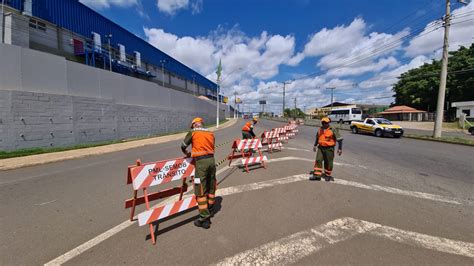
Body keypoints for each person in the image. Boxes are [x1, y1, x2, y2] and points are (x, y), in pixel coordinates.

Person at [181, 117, 216, 229]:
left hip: (201, 164)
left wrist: (187, 153)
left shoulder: (193, 132)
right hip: (211, 161)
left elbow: (183, 146)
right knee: (211, 187)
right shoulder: (210, 133)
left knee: (200, 190)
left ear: (194, 124)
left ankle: (204, 219)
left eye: (192, 126)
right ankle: (210, 209)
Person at [311, 117, 343, 181]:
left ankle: (327, 175)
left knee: (328, 162)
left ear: (328, 123)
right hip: (320, 148)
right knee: (318, 160)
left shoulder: (333, 129)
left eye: (325, 122)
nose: (324, 124)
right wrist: (315, 145)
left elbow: (339, 139)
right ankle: (317, 175)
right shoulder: (320, 129)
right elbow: (317, 138)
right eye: (323, 122)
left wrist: (340, 149)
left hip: (329, 149)